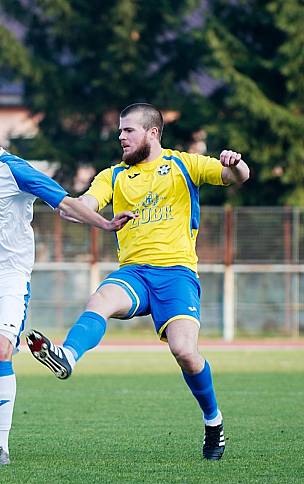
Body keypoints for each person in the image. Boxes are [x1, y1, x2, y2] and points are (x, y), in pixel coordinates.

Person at [27, 102, 250, 461]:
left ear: (152, 133)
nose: (121, 137)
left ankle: (213, 422)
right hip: (134, 273)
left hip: (177, 274)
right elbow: (85, 204)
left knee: (185, 353)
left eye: (128, 130)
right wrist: (68, 207)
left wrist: (234, 163)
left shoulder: (184, 164)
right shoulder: (113, 176)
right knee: (99, 300)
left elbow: (238, 178)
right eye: (119, 131)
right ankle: (67, 355)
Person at [0, 102, 134, 465]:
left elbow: (65, 203)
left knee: (1, 348)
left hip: (7, 283)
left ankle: (0, 445)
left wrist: (105, 223)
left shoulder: (16, 171)